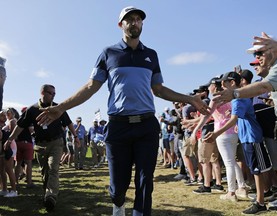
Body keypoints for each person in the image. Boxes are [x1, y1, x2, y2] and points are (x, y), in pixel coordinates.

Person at [36, 6, 210, 216]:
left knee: (146, 181)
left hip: (146, 126)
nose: (135, 23)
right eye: (130, 20)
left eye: (138, 19)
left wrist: (189, 98)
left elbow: (159, 89)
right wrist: (61, 107)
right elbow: (91, 87)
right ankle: (118, 205)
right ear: (121, 25)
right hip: (118, 126)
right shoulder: (108, 53)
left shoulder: (151, 55)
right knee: (119, 185)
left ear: (142, 24)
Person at [213, 34, 277, 212]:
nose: (257, 59)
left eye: (260, 53)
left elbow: (263, 87)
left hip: (269, 129)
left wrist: (235, 94)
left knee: (264, 169)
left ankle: (264, 199)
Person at [3, 84, 80, 212]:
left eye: (55, 93)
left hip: (56, 142)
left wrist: (75, 136)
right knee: (44, 171)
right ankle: (47, 194)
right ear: (43, 93)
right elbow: (20, 126)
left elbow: (68, 122)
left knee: (53, 168)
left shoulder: (58, 107)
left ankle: (51, 196)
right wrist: (10, 139)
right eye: (51, 93)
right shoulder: (32, 109)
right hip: (40, 145)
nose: (54, 95)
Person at [209, 72, 272, 214]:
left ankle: (261, 201)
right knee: (256, 169)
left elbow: (233, 119)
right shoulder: (238, 98)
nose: (222, 87)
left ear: (232, 83)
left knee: (258, 170)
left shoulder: (238, 99)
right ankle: (261, 197)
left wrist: (216, 134)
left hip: (252, 137)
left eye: (224, 84)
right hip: (247, 137)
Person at [191, 76, 247, 201]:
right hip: (233, 131)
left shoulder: (216, 98)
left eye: (210, 86)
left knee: (228, 163)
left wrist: (195, 129)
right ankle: (242, 187)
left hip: (222, 132)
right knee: (231, 161)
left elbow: (206, 116)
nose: (208, 88)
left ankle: (231, 192)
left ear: (215, 86)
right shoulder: (230, 96)